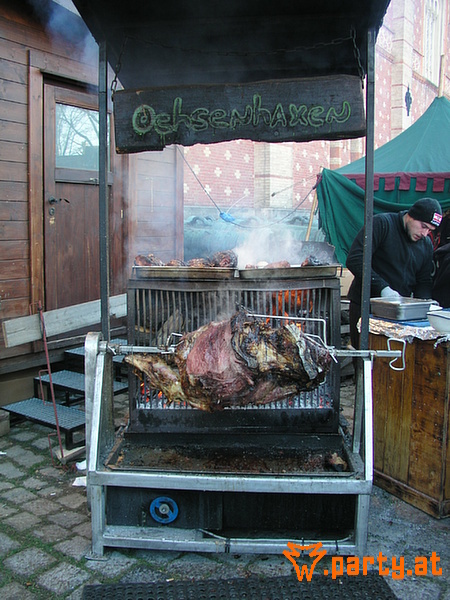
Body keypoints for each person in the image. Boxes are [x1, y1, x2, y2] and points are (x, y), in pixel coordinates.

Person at [346, 197, 442, 348]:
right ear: (411, 215)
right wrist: (383, 288)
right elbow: (355, 259)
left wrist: (425, 305)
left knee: (395, 357)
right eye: (423, 226)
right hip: (367, 307)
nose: (424, 233)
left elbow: (423, 280)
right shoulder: (382, 224)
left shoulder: (426, 245)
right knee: (364, 355)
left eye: (430, 230)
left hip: (400, 314)